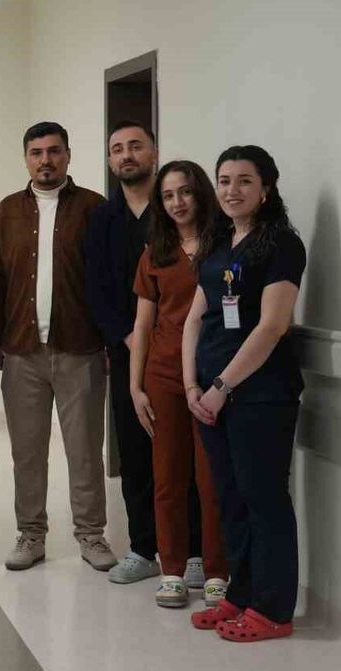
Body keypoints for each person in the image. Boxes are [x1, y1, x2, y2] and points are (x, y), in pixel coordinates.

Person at [183, 145, 304, 642]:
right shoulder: (218, 241)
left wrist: (222, 385)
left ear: (266, 188)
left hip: (260, 394)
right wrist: (192, 385)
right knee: (230, 498)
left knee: (264, 499)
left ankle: (273, 610)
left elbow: (273, 325)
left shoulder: (282, 245)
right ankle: (242, 592)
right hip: (210, 394)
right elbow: (196, 317)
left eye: (245, 181)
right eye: (224, 180)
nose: (232, 190)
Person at [0, 121, 116, 572]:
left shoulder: (95, 208)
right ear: (26, 158)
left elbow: (110, 279)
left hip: (80, 348)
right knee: (27, 451)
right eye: (37, 152)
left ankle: (92, 535)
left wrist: (109, 341)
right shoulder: (7, 211)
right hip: (22, 350)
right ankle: (31, 534)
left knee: (85, 450)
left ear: (68, 155)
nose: (46, 160)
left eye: (54, 151)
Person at [130, 160, 229, 608]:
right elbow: (143, 323)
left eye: (185, 192)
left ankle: (216, 571)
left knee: (212, 479)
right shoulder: (156, 254)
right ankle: (171, 570)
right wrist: (135, 387)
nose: (177, 202)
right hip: (165, 375)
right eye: (168, 195)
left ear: (200, 193)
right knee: (168, 476)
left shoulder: (225, 246)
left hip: (214, 376)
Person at [84, 121, 162, 585]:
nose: (126, 155)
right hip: (126, 351)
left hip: (177, 351)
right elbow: (96, 287)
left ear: (154, 152)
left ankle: (192, 551)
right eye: (117, 149)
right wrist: (128, 337)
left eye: (135, 146)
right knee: (134, 453)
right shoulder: (102, 218)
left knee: (183, 453)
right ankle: (143, 548)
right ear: (110, 160)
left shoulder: (174, 208)